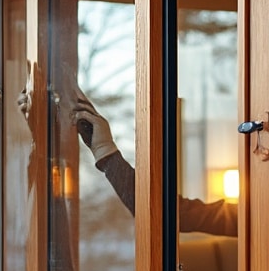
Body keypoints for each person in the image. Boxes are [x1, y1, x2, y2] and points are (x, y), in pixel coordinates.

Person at [68, 91, 241, 237]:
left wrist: (105, 150)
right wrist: (104, 149)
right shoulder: (248, 217)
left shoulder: (252, 220)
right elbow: (165, 211)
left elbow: (162, 212)